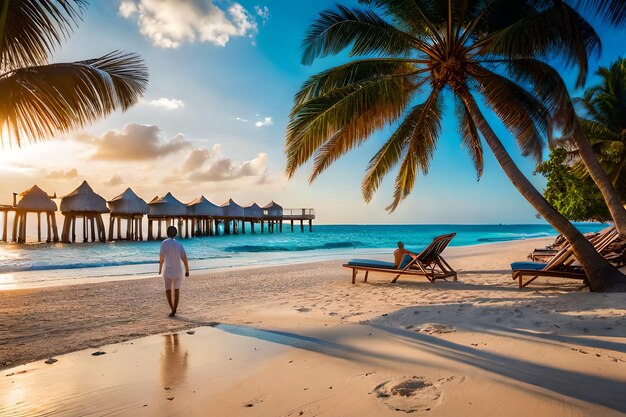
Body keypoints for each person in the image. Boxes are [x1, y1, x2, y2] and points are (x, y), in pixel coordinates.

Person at [159, 226, 189, 317]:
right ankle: (174, 309)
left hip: (167, 271)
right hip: (178, 272)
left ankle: (172, 309)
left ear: (167, 233)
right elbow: (184, 258)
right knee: (176, 291)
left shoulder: (164, 243)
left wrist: (160, 269)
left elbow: (161, 258)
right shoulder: (179, 244)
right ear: (176, 234)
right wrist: (187, 270)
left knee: (167, 290)